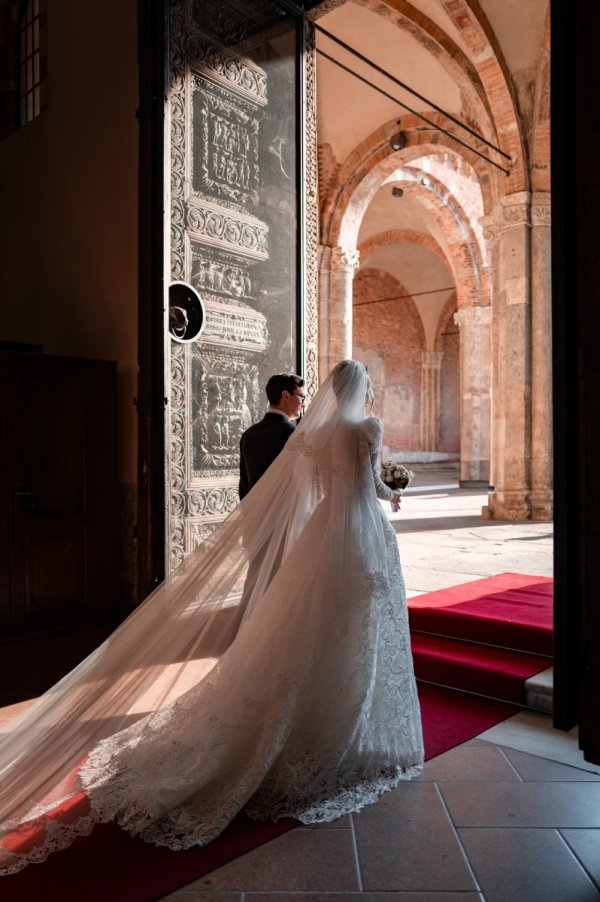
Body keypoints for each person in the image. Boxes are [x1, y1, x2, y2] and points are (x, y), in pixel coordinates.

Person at [0, 359, 422, 875]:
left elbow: (305, 492)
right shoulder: (368, 429)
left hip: (322, 537)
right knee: (356, 632)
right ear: (361, 392)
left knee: (309, 629)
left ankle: (314, 720)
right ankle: (344, 726)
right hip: (361, 537)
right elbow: (374, 485)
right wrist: (395, 490)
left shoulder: (310, 436)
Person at [239, 373, 306, 499]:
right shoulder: (291, 433)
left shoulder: (248, 434)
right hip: (284, 514)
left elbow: (244, 486)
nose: (303, 404)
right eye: (302, 397)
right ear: (285, 395)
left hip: (255, 514)